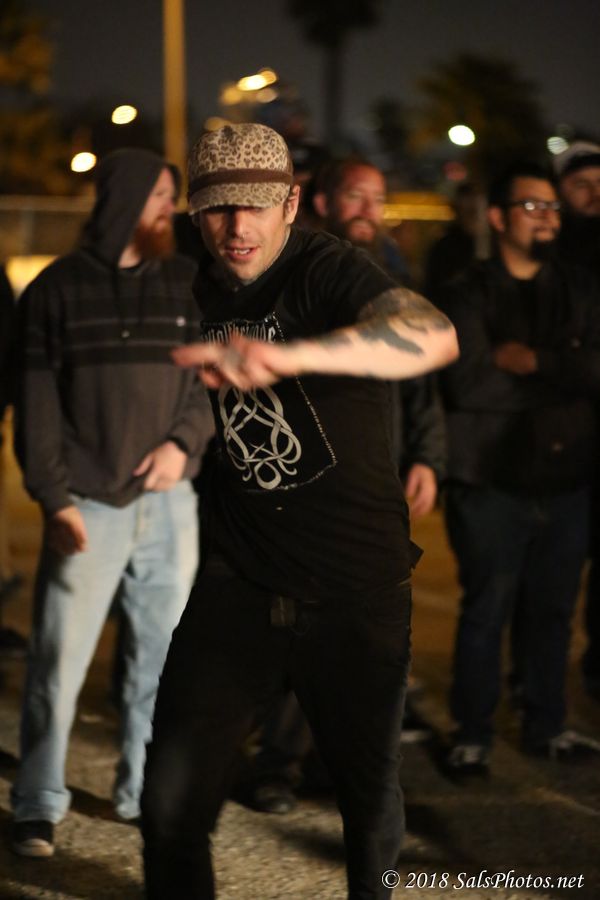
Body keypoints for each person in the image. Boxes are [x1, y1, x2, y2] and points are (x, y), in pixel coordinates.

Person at [140, 123, 458, 900]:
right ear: (195, 213)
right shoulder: (190, 280)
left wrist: (291, 356)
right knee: (169, 799)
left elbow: (433, 335)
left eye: (256, 206)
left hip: (355, 583)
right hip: (241, 578)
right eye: (219, 209)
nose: (238, 228)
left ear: (289, 204)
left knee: (367, 798)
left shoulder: (325, 267)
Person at [10, 148, 212, 858]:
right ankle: (37, 801)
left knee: (160, 661)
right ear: (122, 199)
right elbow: (35, 405)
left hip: (169, 502)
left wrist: (183, 445)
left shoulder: (187, 283)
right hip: (87, 506)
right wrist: (53, 498)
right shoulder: (56, 290)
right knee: (57, 660)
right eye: (159, 196)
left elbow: (205, 387)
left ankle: (139, 793)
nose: (169, 210)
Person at [242, 157, 447, 816]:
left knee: (361, 631)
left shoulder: (384, 271)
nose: (368, 208)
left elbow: (418, 374)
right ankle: (276, 764)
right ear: (319, 202)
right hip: (301, 472)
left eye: (377, 198)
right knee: (297, 621)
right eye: (355, 195)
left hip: (375, 473)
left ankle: (332, 764)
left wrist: (426, 456)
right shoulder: (297, 270)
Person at [439, 162, 600, 777]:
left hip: (567, 480)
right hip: (491, 480)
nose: (547, 218)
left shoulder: (581, 288)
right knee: (487, 608)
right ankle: (472, 732)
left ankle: (546, 724)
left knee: (553, 612)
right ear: (499, 217)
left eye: (552, 207)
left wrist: (535, 362)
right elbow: (469, 383)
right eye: (532, 207)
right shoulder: (466, 292)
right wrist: (566, 375)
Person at [554, 141, 600, 698]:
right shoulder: (551, 257)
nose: (594, 197)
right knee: (553, 570)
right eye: (582, 186)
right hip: (558, 438)